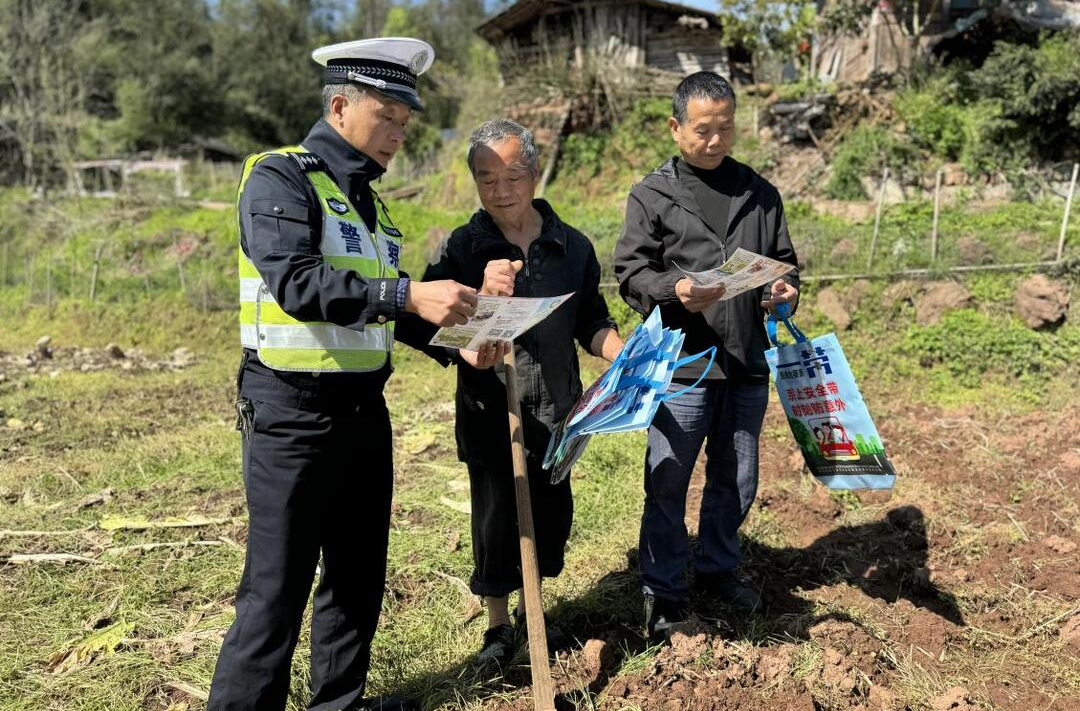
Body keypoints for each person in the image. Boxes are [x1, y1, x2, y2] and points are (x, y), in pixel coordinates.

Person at [208, 38, 482, 711]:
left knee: (357, 575)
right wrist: (408, 294)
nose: (397, 133)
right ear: (339, 106)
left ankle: (338, 702)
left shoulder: (370, 206)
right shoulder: (280, 177)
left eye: (404, 123)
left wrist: (461, 344)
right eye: (386, 116)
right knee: (276, 586)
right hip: (289, 413)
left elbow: (387, 311)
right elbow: (298, 283)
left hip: (363, 410)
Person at [422, 118, 624, 668]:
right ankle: (497, 626)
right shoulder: (461, 248)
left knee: (550, 516)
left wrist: (621, 351)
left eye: (512, 175)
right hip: (493, 414)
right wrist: (475, 328)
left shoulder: (572, 247)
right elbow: (431, 329)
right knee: (496, 520)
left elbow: (592, 322)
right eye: (487, 179)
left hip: (558, 410)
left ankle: (536, 609)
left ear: (535, 174)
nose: (501, 189)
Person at [613, 71, 800, 639]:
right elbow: (630, 273)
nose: (715, 140)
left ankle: (719, 569)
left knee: (737, 477)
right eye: (702, 130)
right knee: (668, 478)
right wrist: (677, 291)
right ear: (675, 128)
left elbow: (785, 262)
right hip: (683, 364)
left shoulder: (760, 193)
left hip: (746, 360)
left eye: (724, 128)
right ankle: (663, 590)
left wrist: (787, 290)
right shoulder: (652, 194)